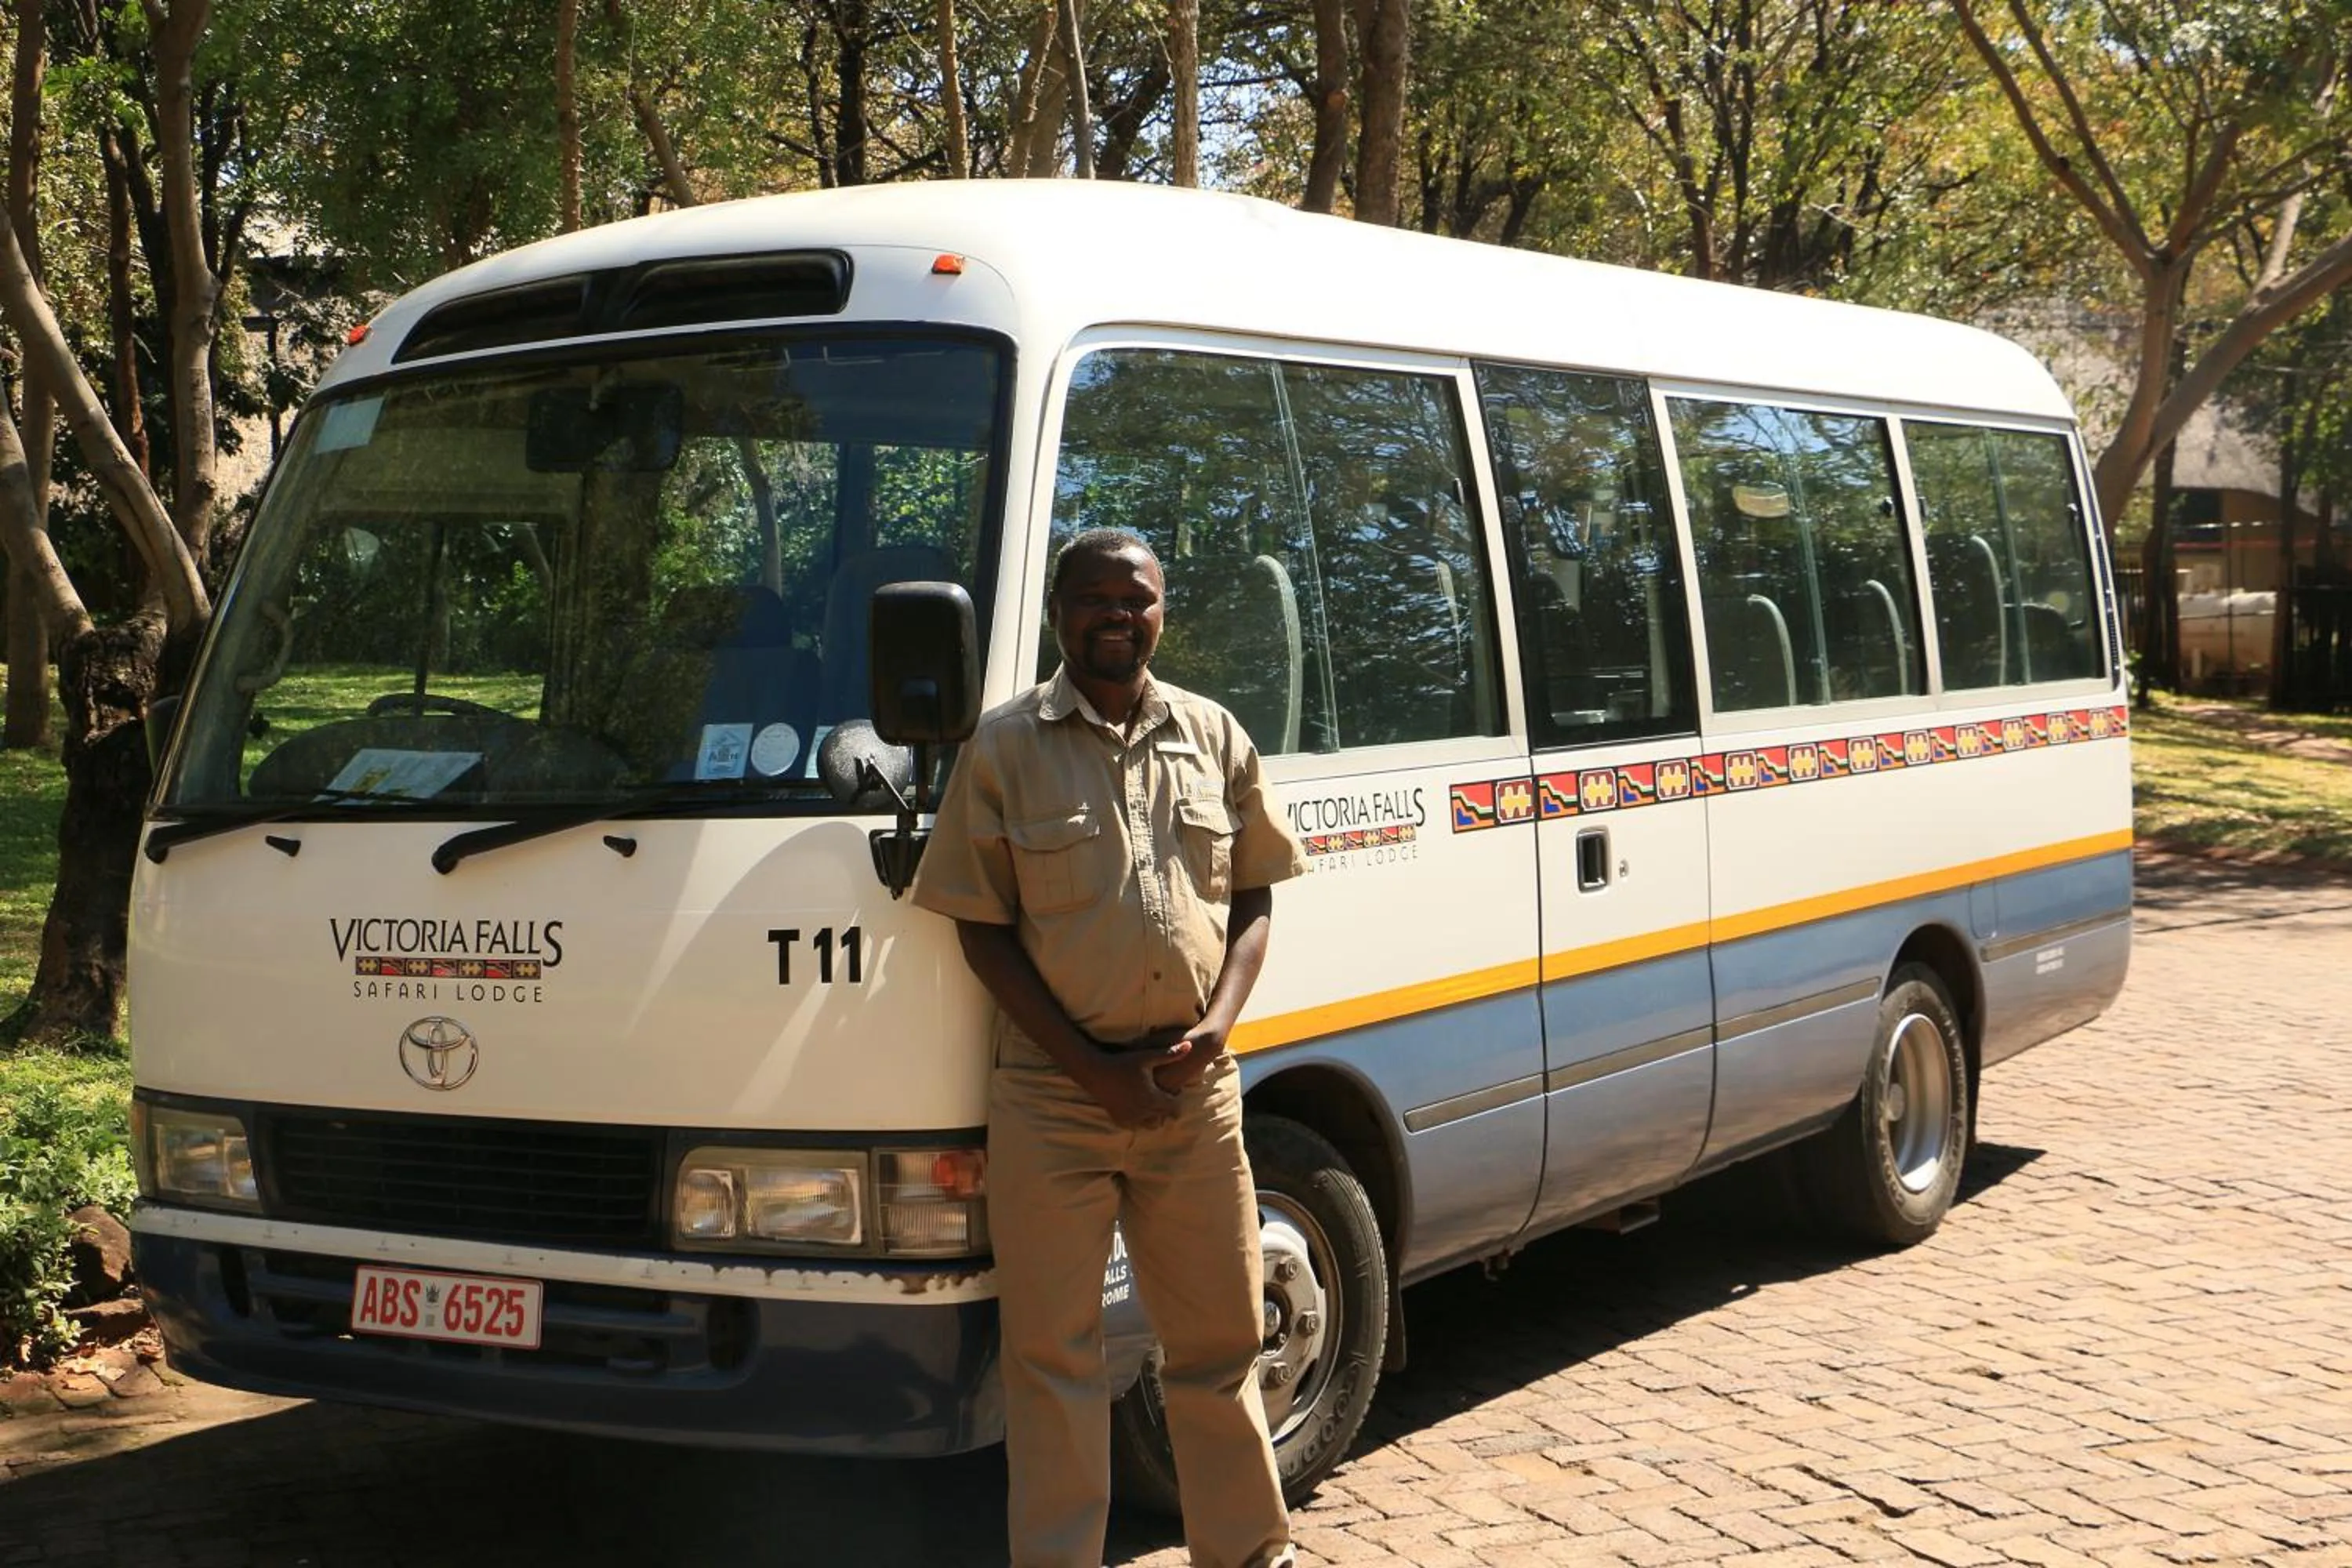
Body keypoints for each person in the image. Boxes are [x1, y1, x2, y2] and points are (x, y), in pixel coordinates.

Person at [912, 527, 1307, 1568]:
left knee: (1221, 1346)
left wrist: (1217, 1026)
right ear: (1060, 614)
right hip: (1054, 1097)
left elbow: (1255, 895)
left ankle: (1248, 1554)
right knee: (1054, 1361)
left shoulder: (1214, 734)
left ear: (1161, 613)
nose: (1118, 617)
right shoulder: (1003, 748)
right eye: (1096, 599)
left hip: (1194, 1094)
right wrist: (1093, 1072)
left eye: (1137, 600)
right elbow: (980, 931)